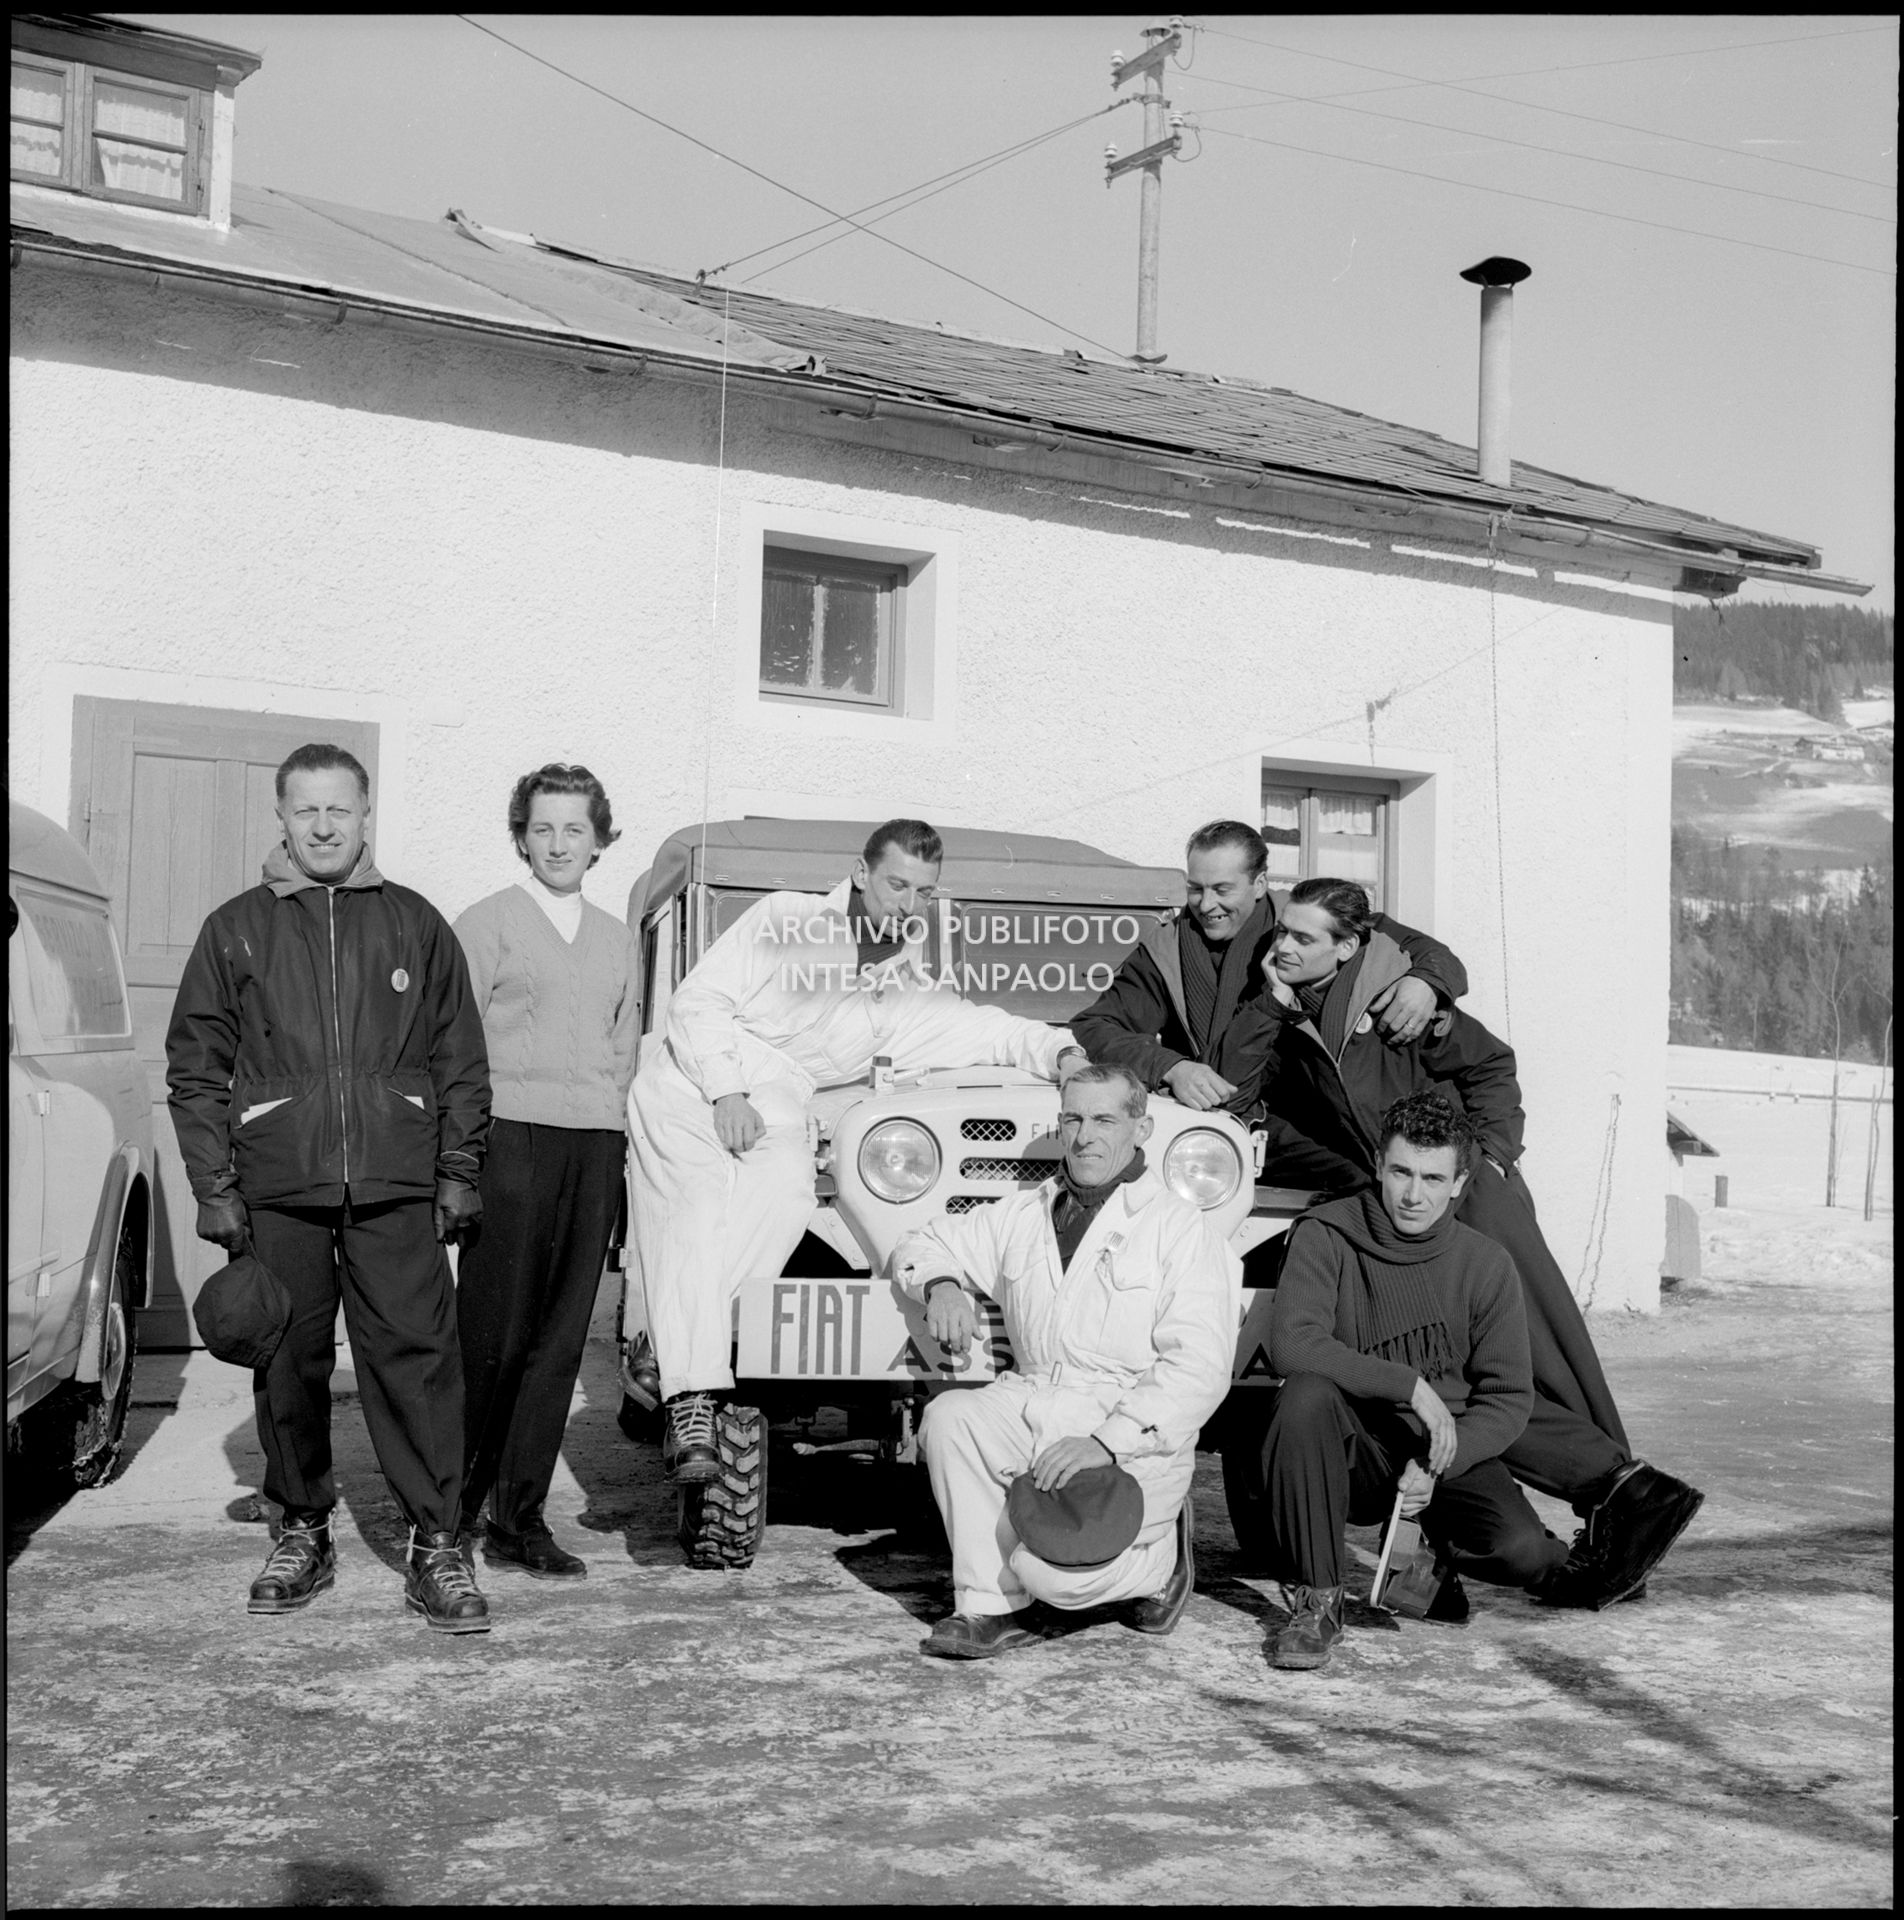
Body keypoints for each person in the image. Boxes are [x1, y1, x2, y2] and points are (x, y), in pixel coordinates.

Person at [1244, 876, 1704, 1611]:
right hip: (1405, 1199)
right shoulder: (1300, 1014)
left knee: (1541, 1356)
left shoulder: (1394, 994)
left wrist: (1487, 1157)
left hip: (1470, 1203)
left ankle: (1623, 1494)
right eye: (1281, 936)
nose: (1282, 945)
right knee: (1438, 1368)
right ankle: (1614, 1496)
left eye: (1300, 935)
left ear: (1345, 943)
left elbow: (1491, 1063)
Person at [629, 818, 1089, 1486]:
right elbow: (700, 1002)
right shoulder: (786, 921)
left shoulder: (901, 989)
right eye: (895, 883)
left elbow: (988, 1031)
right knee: (700, 1211)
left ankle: (664, 1346)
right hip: (693, 1083)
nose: (904, 903)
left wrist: (1064, 1053)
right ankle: (693, 1401)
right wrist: (726, 1090)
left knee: (786, 1207)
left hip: (780, 1111)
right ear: (863, 872)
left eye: (921, 892)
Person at [166, 743, 493, 1632]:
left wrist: (458, 1168)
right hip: (280, 1186)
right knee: (288, 1367)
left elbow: (461, 1058)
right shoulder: (236, 927)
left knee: (418, 1364)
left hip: (397, 1184)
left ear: (365, 813)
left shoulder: (416, 924)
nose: (321, 826)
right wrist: (215, 1185)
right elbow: (195, 1068)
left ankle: (437, 1546)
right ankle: (302, 1526)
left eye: (338, 810)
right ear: (282, 817)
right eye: (305, 810)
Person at [893, 1063, 1243, 1659]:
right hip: (1032, 1394)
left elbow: (1199, 1367)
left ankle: (1159, 1561)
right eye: (1073, 1118)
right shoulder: (1025, 1212)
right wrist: (943, 1284)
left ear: (1141, 1127)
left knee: (1053, 1580)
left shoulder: (1179, 1227)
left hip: (1122, 1423)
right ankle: (989, 1606)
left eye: (1105, 1119)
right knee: (951, 1416)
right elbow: (920, 1243)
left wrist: (1106, 1442)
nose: (1085, 1136)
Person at [1260, 1094, 1565, 1671]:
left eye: (1432, 1177)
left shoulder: (1486, 1263)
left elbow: (1507, 1397)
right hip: (1357, 1449)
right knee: (1302, 1395)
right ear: (1378, 1164)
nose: (1412, 1194)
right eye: (1400, 1171)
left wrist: (1438, 1463)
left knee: (1521, 1554)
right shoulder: (1327, 1233)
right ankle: (1319, 1600)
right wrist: (1408, 1384)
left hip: (1443, 1452)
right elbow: (1293, 1345)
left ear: (1458, 1182)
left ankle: (1429, 1552)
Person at [451, 765, 639, 1581]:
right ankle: (451, 1514)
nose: (559, 844)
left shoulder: (619, 937)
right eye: (542, 828)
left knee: (560, 1341)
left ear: (599, 840)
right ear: (520, 836)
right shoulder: (487, 922)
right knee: (493, 1337)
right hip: (510, 1141)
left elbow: (624, 1047)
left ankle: (519, 1519)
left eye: (575, 830)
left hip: (592, 1143)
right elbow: (451, 1047)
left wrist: (617, 1142)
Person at [1069, 820, 1470, 1188]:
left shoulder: (1303, 918)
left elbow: (1423, 950)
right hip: (1226, 1129)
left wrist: (1426, 981)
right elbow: (1096, 1025)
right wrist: (1172, 1067)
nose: (1206, 905)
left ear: (1260, 883)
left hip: (1327, 1111)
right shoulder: (1166, 948)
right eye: (1195, 888)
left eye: (1223, 890)